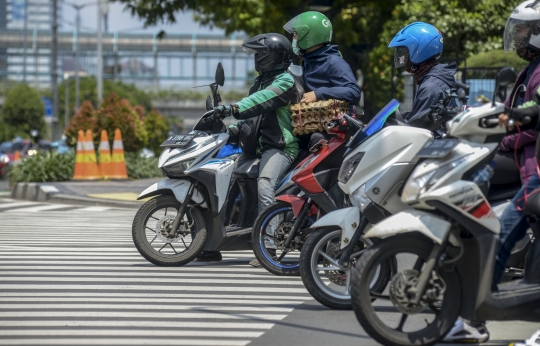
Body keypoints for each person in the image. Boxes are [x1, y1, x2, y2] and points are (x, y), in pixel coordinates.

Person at [444, 1, 540, 342]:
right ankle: (473, 319)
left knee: (501, 240)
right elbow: (519, 112)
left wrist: (502, 137)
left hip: (535, 174)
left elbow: (532, 117)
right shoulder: (531, 70)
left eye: (524, 30)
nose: (518, 36)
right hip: (530, 173)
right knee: (501, 240)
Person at [196, 33, 299, 264]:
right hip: (256, 148)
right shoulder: (259, 82)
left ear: (271, 56)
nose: (255, 59)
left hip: (280, 147)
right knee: (225, 182)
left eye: (259, 54)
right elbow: (252, 116)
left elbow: (258, 102)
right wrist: (233, 128)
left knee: (265, 185)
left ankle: (269, 246)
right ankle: (211, 243)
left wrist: (231, 108)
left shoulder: (285, 81)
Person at [389, 22, 457, 137]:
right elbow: (418, 117)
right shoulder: (435, 79)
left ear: (418, 51)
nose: (402, 57)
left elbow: (416, 130)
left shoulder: (430, 87)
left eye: (405, 52)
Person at [283, 11, 361, 107]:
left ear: (307, 35)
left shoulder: (334, 62)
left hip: (330, 120)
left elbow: (354, 91)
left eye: (295, 34)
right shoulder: (308, 61)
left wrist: (318, 94)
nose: (293, 38)